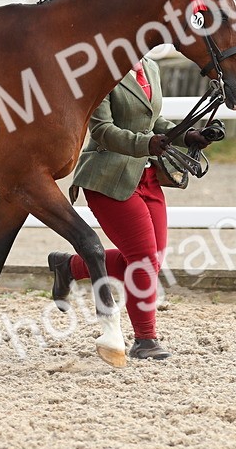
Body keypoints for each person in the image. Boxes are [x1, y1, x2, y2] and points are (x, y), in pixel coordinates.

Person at [47, 56, 222, 361]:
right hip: (109, 177)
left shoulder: (150, 68)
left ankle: (70, 267)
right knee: (142, 260)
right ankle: (145, 339)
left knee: (151, 259)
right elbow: (102, 130)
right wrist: (147, 144)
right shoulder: (102, 70)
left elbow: (155, 124)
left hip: (148, 175)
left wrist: (189, 135)